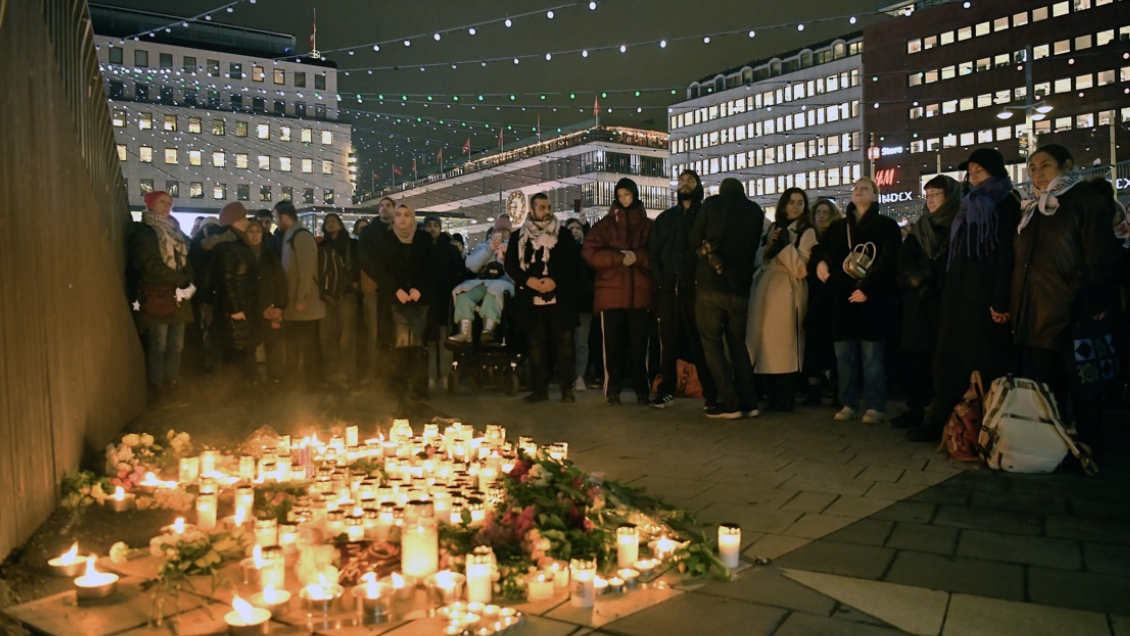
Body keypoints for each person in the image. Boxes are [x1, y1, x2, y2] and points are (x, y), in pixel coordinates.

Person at [1011, 144, 1121, 455]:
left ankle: (1088, 443)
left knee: (1083, 383)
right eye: (1032, 168)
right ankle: (1056, 443)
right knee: (1047, 385)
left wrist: (1096, 303)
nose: (1037, 173)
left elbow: (1099, 255)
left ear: (1067, 165)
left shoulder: (1083, 199)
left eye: (1045, 165)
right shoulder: (1032, 207)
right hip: (1036, 311)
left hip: (1073, 309)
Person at [911, 151, 1021, 441]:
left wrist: (1000, 300)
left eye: (979, 172)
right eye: (970, 172)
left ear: (995, 173)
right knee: (950, 360)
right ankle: (946, 422)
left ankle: (983, 429)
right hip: (958, 294)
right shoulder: (967, 204)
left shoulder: (1005, 203)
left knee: (983, 361)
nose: (973, 177)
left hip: (984, 297)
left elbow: (1004, 256)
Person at [814, 178, 902, 424]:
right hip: (842, 298)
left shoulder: (886, 225)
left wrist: (869, 289)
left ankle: (875, 405)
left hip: (872, 300)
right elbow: (821, 250)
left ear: (875, 195)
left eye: (865, 188)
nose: (858, 191)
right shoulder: (839, 227)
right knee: (844, 356)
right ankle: (848, 402)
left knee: (872, 355)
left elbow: (889, 260)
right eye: (855, 188)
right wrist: (820, 263)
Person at [691, 178, 764, 419]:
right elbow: (754, 246)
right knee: (737, 344)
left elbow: (693, 240)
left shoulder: (712, 205)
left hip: (711, 286)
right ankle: (749, 401)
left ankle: (729, 401)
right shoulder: (755, 211)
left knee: (711, 344)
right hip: (741, 289)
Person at [894, 175, 961, 434]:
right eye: (928, 195)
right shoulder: (921, 227)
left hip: (944, 303)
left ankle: (941, 412)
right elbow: (903, 259)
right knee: (915, 357)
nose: (931, 200)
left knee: (941, 358)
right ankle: (915, 409)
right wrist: (915, 280)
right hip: (917, 303)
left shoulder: (959, 223)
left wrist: (930, 277)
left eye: (936, 195)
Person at [648, 169, 717, 409]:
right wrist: (660, 279)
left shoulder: (705, 216)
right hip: (669, 287)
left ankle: (711, 392)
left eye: (690, 181)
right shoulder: (666, 218)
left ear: (698, 185)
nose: (685, 184)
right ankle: (666, 389)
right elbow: (653, 251)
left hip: (694, 287)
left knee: (699, 341)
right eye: (682, 181)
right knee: (668, 342)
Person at [582, 178, 654, 406]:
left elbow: (658, 253)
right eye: (620, 195)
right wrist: (622, 257)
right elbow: (590, 252)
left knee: (640, 346)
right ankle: (612, 388)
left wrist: (638, 257)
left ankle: (643, 388)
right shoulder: (605, 225)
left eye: (627, 194)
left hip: (639, 295)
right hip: (611, 295)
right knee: (611, 346)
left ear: (634, 195)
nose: (623, 199)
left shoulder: (648, 225)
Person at [747, 187, 818, 412]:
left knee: (785, 347)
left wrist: (785, 246)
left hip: (787, 291)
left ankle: (784, 398)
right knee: (764, 344)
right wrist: (769, 247)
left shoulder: (807, 232)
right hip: (765, 288)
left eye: (800, 202)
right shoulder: (774, 228)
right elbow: (759, 258)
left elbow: (801, 268)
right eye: (791, 202)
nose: (795, 206)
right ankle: (769, 394)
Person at [505, 193, 580, 403]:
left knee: (565, 344)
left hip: (560, 297)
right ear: (532, 210)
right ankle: (540, 390)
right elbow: (511, 265)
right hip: (530, 298)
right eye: (542, 208)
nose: (546, 212)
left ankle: (567, 389)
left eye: (549, 207)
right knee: (535, 345)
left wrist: (554, 280)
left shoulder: (563, 235)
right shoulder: (519, 236)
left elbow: (571, 263)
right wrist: (528, 281)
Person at [128, 191, 194, 402]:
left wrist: (188, 279)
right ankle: (157, 386)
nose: (167, 206)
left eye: (169, 202)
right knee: (159, 343)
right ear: (150, 205)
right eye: (162, 202)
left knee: (176, 344)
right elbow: (148, 263)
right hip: (159, 293)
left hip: (178, 293)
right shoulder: (145, 232)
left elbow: (186, 260)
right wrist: (179, 279)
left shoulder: (176, 232)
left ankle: (172, 382)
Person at [376, 204, 435, 402]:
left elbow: (431, 267)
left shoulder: (424, 239)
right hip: (392, 299)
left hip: (419, 300)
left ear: (413, 217)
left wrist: (419, 288)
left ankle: (420, 389)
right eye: (398, 215)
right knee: (396, 345)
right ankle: (396, 389)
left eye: (407, 215)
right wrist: (396, 290)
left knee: (418, 345)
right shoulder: (386, 239)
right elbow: (381, 269)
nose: (402, 219)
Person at [208, 203, 262, 383]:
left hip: (244, 307)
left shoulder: (239, 244)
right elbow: (226, 280)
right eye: (244, 218)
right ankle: (238, 394)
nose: (247, 222)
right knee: (238, 353)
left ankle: (245, 391)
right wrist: (235, 309)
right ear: (234, 221)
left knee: (245, 351)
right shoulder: (227, 247)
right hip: (236, 311)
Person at [276, 200, 325, 387]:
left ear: (284, 217)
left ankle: (313, 383)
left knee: (309, 345)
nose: (276, 222)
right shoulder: (291, 235)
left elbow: (306, 270)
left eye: (276, 218)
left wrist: (301, 298)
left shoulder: (301, 236)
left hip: (305, 305)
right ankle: (296, 383)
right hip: (297, 304)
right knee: (296, 344)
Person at [802, 199, 843, 405]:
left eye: (826, 212)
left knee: (833, 346)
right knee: (815, 346)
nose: (821, 216)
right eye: (818, 212)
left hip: (832, 296)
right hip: (814, 295)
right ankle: (815, 391)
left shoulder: (837, 236)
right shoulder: (810, 236)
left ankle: (836, 391)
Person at [448, 217, 514, 345]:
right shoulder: (483, 245)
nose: (500, 232)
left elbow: (516, 269)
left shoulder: (515, 246)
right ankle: (465, 331)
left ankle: (488, 329)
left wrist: (506, 254)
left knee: (494, 291)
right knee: (464, 292)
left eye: (504, 230)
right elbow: (471, 265)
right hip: (484, 281)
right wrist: (488, 250)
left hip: (503, 282)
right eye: (498, 229)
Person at [422, 214, 465, 388]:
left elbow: (459, 273)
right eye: (429, 225)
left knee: (444, 340)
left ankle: (445, 376)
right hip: (426, 301)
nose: (432, 228)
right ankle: (431, 376)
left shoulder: (450, 249)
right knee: (430, 342)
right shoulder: (421, 248)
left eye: (435, 225)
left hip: (445, 301)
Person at [358, 197, 396, 383]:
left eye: (388, 205)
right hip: (375, 286)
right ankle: (373, 373)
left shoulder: (399, 229)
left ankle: (392, 374)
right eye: (381, 205)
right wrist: (378, 278)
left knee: (395, 332)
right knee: (374, 332)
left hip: (395, 289)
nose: (384, 208)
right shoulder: (368, 232)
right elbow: (364, 258)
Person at [319, 213, 360, 388]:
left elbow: (358, 265)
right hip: (327, 296)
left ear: (341, 225)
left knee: (347, 337)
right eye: (327, 222)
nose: (330, 224)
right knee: (327, 336)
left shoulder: (351, 244)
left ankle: (348, 374)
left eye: (334, 221)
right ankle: (332, 374)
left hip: (347, 294)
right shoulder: (322, 246)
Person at [245, 219, 287, 384]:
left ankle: (275, 378)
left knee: (273, 345)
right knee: (249, 346)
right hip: (248, 308)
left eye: (258, 231)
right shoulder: (241, 254)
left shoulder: (270, 256)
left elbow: (280, 283)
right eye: (250, 231)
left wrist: (280, 306)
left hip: (269, 307)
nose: (254, 235)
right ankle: (251, 379)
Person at [565, 218, 595, 391]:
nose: (575, 231)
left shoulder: (587, 252)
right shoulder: (562, 252)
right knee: (567, 342)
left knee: (581, 341)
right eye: (571, 228)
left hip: (583, 303)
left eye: (578, 228)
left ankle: (579, 376)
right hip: (567, 303)